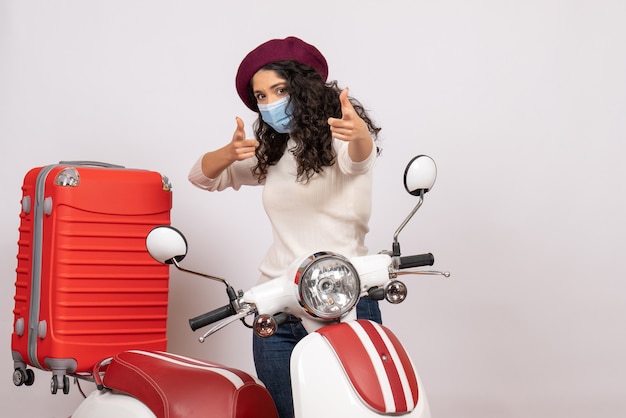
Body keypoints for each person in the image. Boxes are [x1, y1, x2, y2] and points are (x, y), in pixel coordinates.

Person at [188, 36, 382, 418]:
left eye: (279, 89)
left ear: (304, 86)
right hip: (276, 304)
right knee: (287, 412)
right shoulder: (274, 153)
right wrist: (227, 154)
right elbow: (201, 178)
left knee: (360, 410)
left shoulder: (342, 138)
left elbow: (359, 161)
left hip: (343, 297)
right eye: (261, 96)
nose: (271, 102)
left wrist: (358, 134)